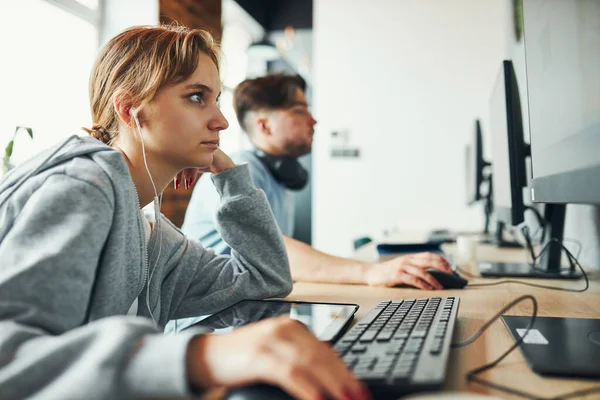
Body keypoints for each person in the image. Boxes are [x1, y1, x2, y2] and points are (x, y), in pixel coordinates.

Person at [0, 25, 369, 400]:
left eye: (216, 100)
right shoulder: (79, 188)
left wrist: (230, 177)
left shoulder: (149, 233)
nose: (221, 121)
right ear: (130, 111)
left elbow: (265, 280)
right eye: (196, 97)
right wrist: (202, 356)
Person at [183, 75, 452, 290]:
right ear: (264, 126)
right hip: (212, 324)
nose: (313, 120)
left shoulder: (278, 175)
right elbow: (274, 252)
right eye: (300, 110)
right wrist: (371, 272)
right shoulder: (237, 172)